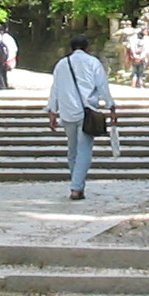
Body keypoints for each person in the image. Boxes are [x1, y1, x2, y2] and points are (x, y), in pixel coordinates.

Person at [47, 35, 117, 201]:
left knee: (72, 151)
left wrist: (52, 111)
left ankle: (76, 184)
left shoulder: (62, 64)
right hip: (87, 111)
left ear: (71, 49)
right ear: (88, 48)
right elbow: (102, 86)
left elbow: (55, 89)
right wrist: (111, 106)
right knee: (84, 149)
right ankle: (76, 188)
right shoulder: (93, 63)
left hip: (67, 111)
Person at [0, 24, 17, 90]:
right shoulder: (10, 38)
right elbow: (15, 48)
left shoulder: (0, 37)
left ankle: (2, 85)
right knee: (4, 72)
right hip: (11, 58)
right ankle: (5, 84)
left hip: (3, 57)